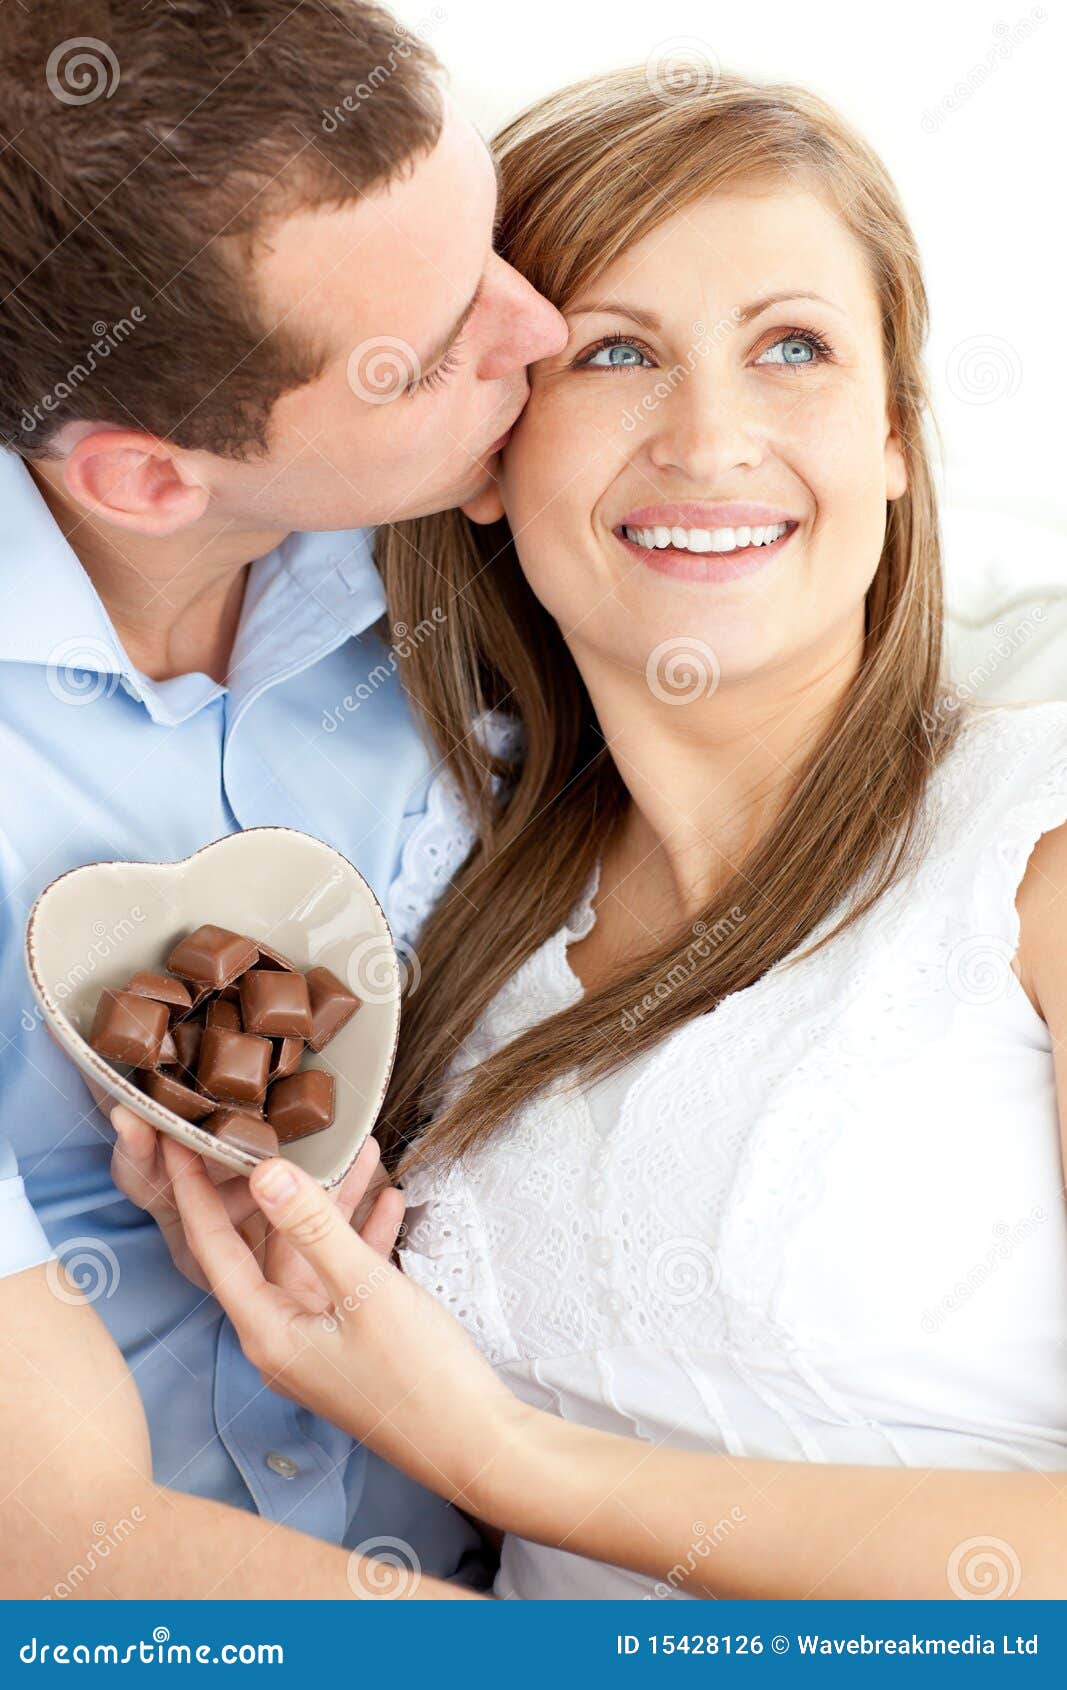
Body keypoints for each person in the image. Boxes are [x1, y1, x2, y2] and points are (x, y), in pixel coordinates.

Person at [129, 66, 1067, 1599]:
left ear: (896, 437)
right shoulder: (455, 932)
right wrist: (314, 1309)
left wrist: (500, 1452)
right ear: (490, 451)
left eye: (794, 348)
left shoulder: (1034, 848)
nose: (709, 439)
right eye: (619, 351)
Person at [0, 0, 564, 1599]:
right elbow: (60, 1550)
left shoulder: (474, 567)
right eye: (440, 346)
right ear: (148, 476)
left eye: (494, 238)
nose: (541, 326)